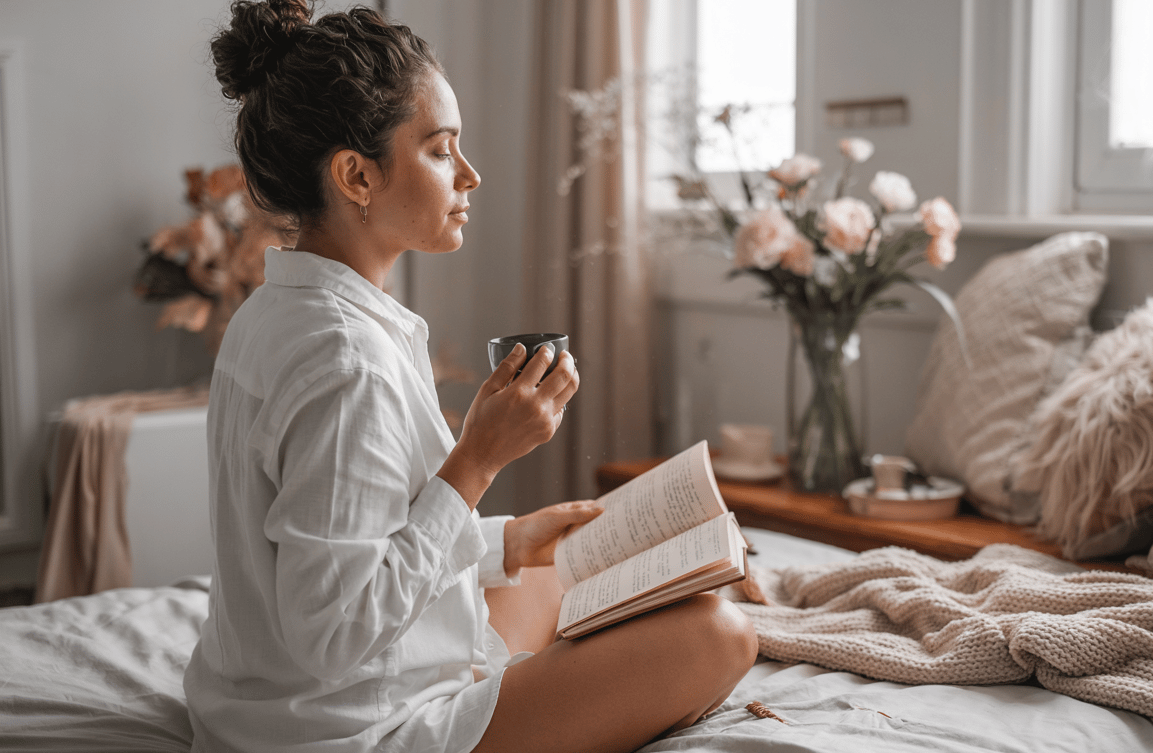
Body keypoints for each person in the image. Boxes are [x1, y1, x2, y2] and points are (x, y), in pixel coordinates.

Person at [184, 2, 758, 752]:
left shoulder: (278, 312)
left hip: (265, 705)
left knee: (557, 576)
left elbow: (350, 539)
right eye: (440, 149)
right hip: (351, 730)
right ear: (357, 175)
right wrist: (477, 461)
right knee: (719, 634)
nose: (470, 174)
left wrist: (509, 539)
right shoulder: (346, 361)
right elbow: (330, 633)